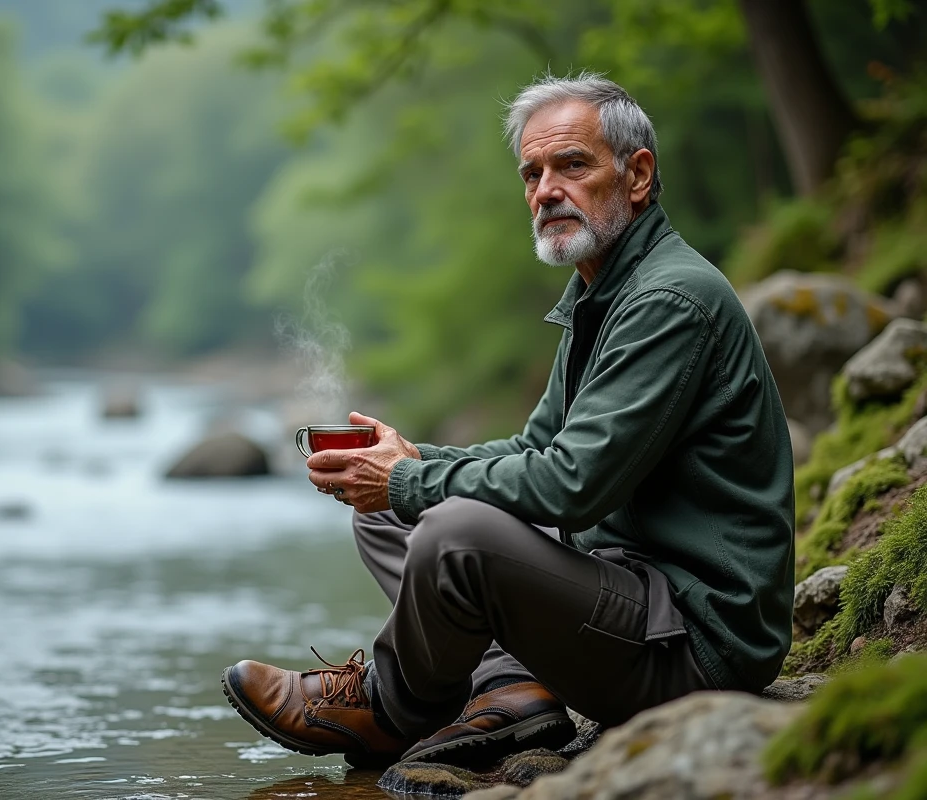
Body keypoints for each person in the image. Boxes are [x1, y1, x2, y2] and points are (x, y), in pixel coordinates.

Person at [221, 72, 795, 770]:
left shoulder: (670, 300)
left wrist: (411, 481)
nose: (546, 189)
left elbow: (572, 486)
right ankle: (513, 690)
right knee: (387, 513)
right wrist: (412, 460)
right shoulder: (602, 290)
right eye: (532, 173)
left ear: (637, 175)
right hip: (634, 596)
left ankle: (385, 707)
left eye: (572, 165)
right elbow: (537, 448)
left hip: (695, 646)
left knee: (450, 527)